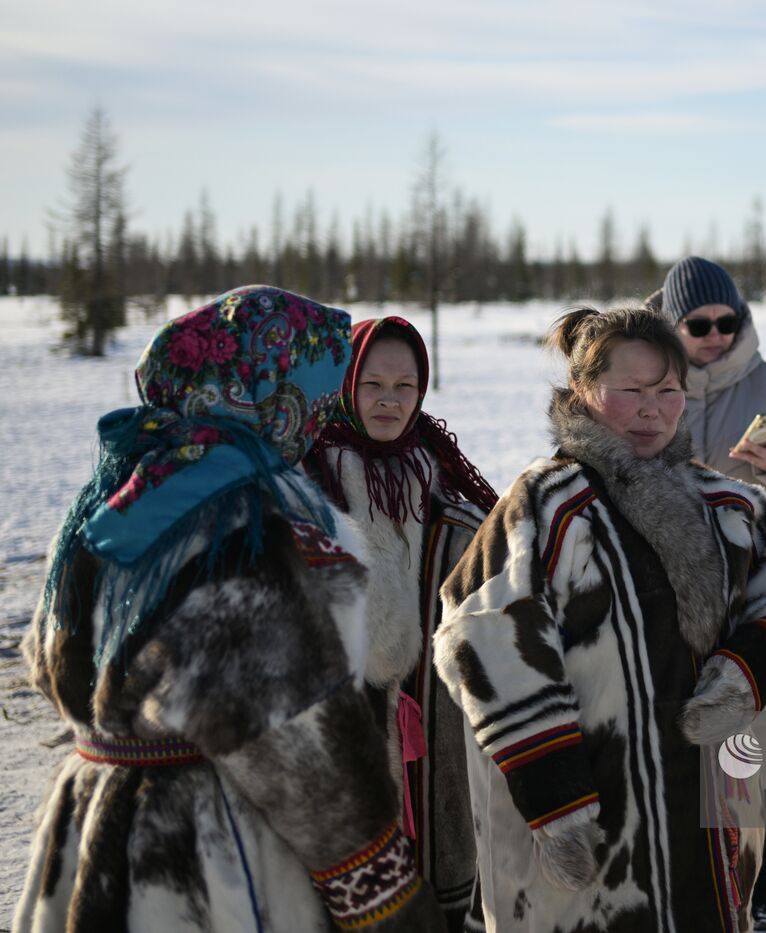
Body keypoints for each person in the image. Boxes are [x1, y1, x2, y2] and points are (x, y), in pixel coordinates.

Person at [13, 286, 445, 932]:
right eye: (312, 392)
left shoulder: (120, 493)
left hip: (89, 832)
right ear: (268, 387)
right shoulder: (244, 524)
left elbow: (49, 662)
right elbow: (294, 741)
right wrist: (390, 901)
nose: (321, 412)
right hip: (204, 857)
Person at [433, 306, 766, 932]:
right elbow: (480, 631)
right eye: (629, 391)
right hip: (591, 817)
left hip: (706, 809)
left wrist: (743, 674)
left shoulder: (728, 503)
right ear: (583, 390)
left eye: (667, 391)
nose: (651, 409)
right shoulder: (546, 506)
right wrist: (555, 798)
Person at [651, 255, 766, 929]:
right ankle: (690, 874)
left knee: (761, 727)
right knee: (681, 726)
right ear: (672, 323)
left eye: (726, 321)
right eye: (697, 323)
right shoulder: (649, 378)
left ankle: (762, 883)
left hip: (759, 582)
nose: (713, 335)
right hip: (671, 584)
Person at [306, 316, 498, 926]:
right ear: (345, 386)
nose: (389, 400)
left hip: (431, 706)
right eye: (373, 384)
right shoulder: (311, 476)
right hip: (342, 705)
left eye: (405, 386)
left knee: (439, 839)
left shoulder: (433, 468)